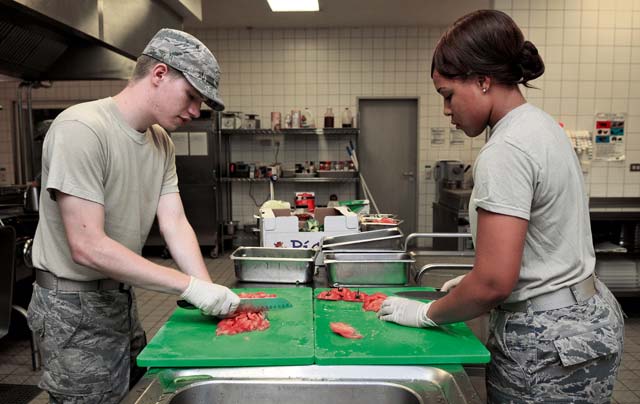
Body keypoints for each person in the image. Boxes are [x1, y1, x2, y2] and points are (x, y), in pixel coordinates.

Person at [378, 10, 624, 404]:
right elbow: (543, 241)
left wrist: (427, 313)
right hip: (588, 319)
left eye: (447, 95)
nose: (446, 110)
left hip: (547, 340)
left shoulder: (505, 150)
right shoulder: (542, 126)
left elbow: (494, 282)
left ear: (482, 80)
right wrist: (479, 279)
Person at [27, 28, 240, 403]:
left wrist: (210, 292)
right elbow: (87, 246)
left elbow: (173, 221)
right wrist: (189, 287)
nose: (195, 112)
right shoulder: (82, 129)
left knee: (131, 396)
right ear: (159, 74)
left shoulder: (161, 142)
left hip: (119, 299)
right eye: (191, 96)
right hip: (72, 306)